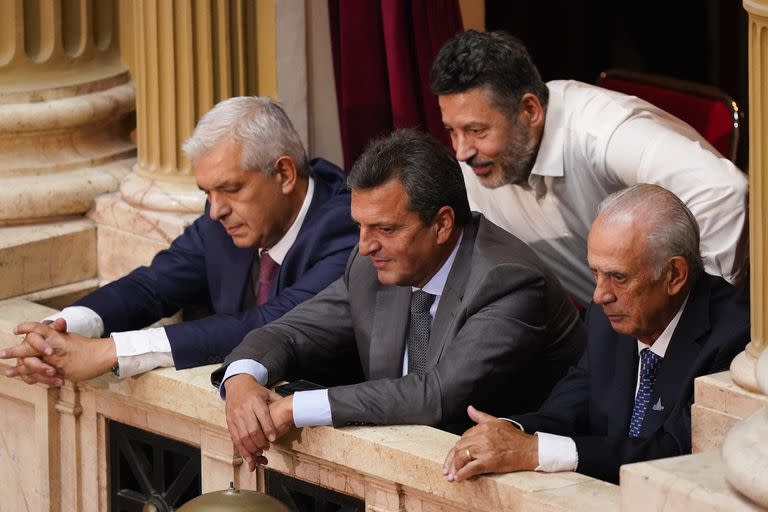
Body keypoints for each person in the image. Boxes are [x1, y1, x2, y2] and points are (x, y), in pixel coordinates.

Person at [215, 129, 586, 471]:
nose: (365, 245)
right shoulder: (371, 266)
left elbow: (437, 396)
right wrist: (243, 379)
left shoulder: (506, 279)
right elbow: (290, 332)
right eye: (360, 225)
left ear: (441, 224)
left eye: (385, 229)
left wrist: (296, 408)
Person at [1, 96, 358, 385]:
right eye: (207, 192)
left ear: (283, 174)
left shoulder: (348, 228)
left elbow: (266, 325)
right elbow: (152, 286)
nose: (215, 210)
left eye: (230, 189)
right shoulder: (222, 220)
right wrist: (58, 331)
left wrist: (111, 352)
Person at [442, 184, 749, 484]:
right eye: (595, 273)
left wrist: (536, 452)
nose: (600, 295)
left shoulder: (735, 339)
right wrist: (509, 431)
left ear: (674, 275)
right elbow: (571, 408)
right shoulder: (608, 320)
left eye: (617, 276)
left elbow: (680, 454)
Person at [430, 30, 748, 305]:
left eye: (477, 131)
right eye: (451, 131)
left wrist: (694, 321)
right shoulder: (478, 166)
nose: (461, 151)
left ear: (529, 110)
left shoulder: (602, 133)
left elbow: (724, 192)